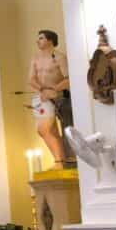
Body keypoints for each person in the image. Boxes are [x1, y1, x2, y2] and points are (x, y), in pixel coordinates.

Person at [29, 29, 74, 166]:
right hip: (41, 97)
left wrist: (53, 89)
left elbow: (68, 79)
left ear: (50, 40)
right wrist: (42, 89)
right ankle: (60, 161)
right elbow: (31, 79)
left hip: (57, 97)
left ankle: (60, 160)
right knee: (48, 130)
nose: (38, 41)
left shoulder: (59, 57)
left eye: (41, 38)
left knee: (44, 129)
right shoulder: (35, 58)